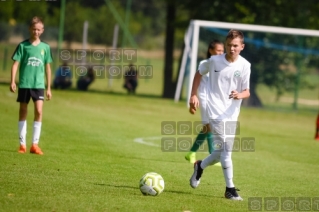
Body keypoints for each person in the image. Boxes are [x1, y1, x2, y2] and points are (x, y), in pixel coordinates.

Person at [189, 29, 251, 201]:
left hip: (232, 113)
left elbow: (247, 91)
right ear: (225, 45)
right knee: (226, 149)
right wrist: (193, 95)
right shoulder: (214, 61)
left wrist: (239, 95)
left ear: (242, 47)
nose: (232, 49)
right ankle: (230, 189)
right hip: (214, 110)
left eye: (236, 46)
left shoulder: (245, 65)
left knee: (221, 152)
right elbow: (199, 73)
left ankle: (200, 166)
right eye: (229, 45)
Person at [10, 16, 53, 155]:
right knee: (23, 111)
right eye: (34, 29)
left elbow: (48, 68)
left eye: (39, 29)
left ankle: (35, 145)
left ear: (43, 30)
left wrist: (49, 88)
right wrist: (13, 81)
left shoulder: (45, 47)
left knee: (39, 111)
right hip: (24, 84)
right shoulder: (23, 46)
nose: (36, 32)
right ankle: (22, 145)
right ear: (30, 29)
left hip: (38, 85)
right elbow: (15, 64)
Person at [185, 40, 224, 164]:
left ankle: (191, 152)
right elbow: (197, 78)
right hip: (205, 98)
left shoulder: (223, 65)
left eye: (222, 51)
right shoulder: (205, 63)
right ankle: (212, 155)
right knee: (209, 126)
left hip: (216, 100)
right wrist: (193, 96)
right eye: (218, 50)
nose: (221, 53)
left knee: (208, 127)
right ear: (211, 50)